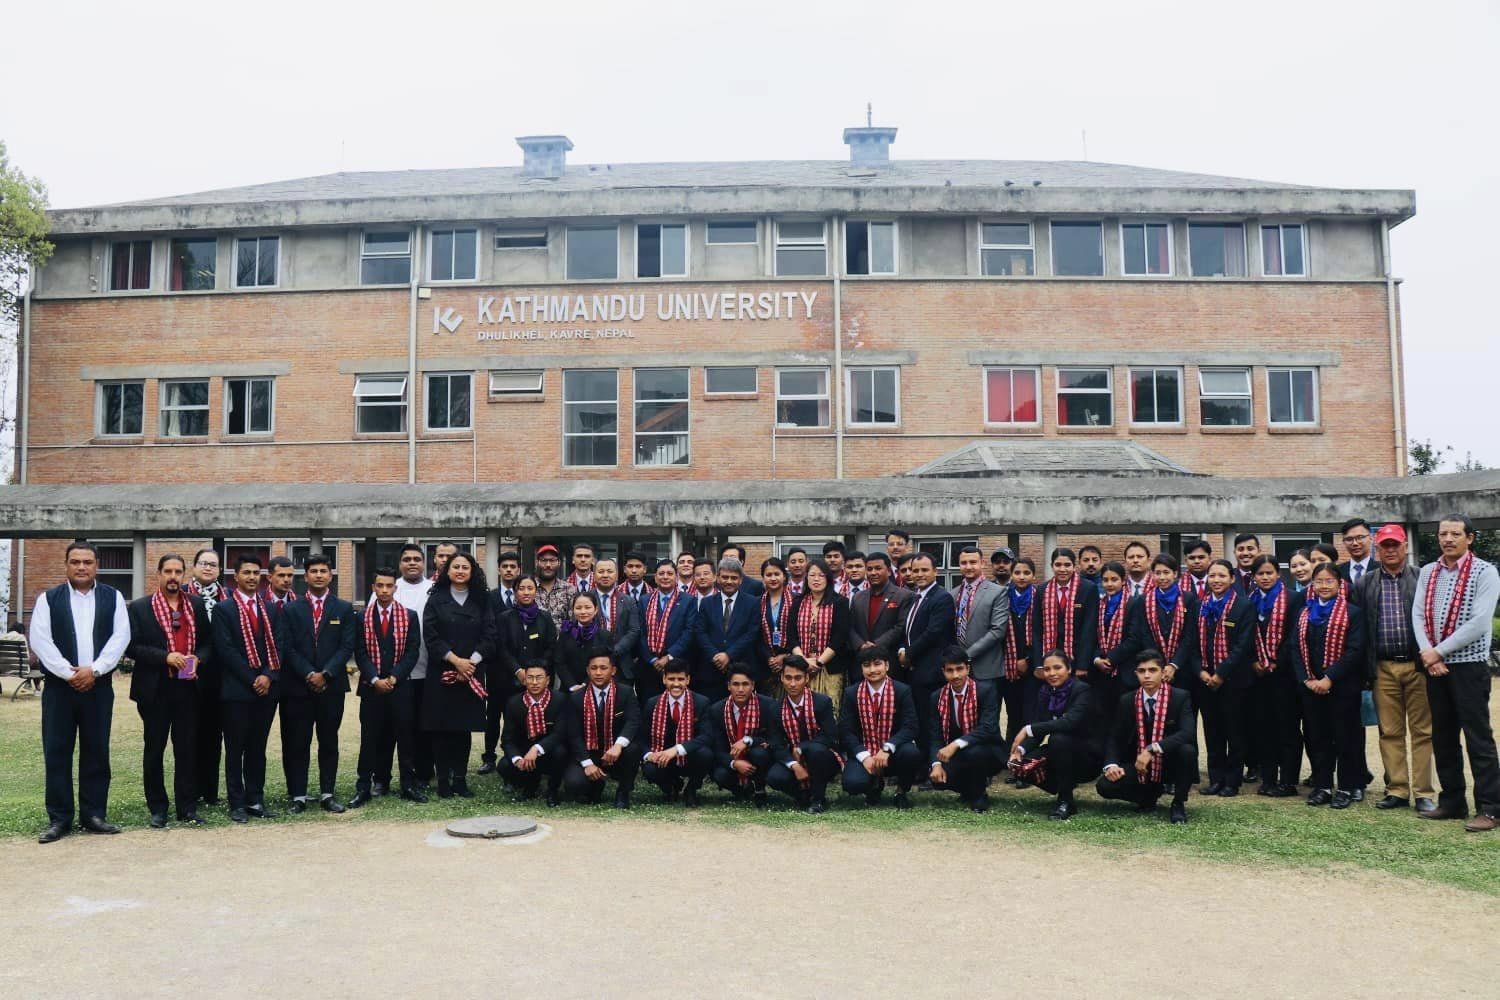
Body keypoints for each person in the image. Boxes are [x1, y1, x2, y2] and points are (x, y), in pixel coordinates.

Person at [32, 542, 131, 843]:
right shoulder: (48, 599)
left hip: (98, 688)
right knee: (57, 752)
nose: (81, 567)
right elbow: (40, 640)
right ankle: (59, 819)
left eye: (87, 562)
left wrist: (95, 670)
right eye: (75, 562)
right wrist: (69, 673)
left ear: (96, 565)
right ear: (66, 565)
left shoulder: (113, 597)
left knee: (96, 751)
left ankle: (94, 815)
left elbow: (120, 637)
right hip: (59, 690)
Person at [1412, 514, 1500, 831]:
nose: (1447, 539)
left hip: (1469, 666)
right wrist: (1429, 654)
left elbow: (1479, 622)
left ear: (1470, 538)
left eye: (1455, 534)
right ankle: (1452, 802)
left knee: (1478, 737)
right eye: (1442, 534)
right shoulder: (1428, 571)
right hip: (1434, 666)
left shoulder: (1485, 571)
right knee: (1443, 736)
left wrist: (1438, 651)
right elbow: (1418, 615)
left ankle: (1491, 808)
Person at [1354, 524, 1435, 812]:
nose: (1390, 550)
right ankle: (1397, 789)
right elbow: (1360, 628)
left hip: (1417, 665)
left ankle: (1424, 792)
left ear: (1405, 547)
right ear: (1377, 549)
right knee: (1389, 731)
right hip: (1382, 667)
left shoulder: (1423, 577)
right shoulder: (1365, 583)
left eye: (1395, 545)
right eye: (1384, 546)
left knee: (1422, 731)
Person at [128, 553, 212, 828]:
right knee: (155, 749)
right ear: (159, 574)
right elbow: (132, 647)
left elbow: (208, 643)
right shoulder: (140, 607)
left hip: (188, 687)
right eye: (168, 571)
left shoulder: (196, 605)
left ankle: (187, 807)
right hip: (155, 689)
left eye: (178, 572)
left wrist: (199, 658)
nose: (173, 577)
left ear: (184, 574)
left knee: (187, 749)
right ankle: (158, 808)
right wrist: (165, 657)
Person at [214, 553, 287, 824]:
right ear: (236, 577)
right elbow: (226, 650)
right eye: (247, 572)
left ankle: (255, 799)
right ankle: (236, 803)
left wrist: (267, 676)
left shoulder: (270, 609)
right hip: (237, 690)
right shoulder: (224, 609)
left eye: (256, 573)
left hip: (266, 691)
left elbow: (279, 645)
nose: (252, 577)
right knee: (235, 749)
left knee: (258, 747)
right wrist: (252, 678)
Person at [280, 553, 355, 814]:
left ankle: (327, 794)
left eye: (324, 571)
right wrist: (309, 673)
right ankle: (299, 796)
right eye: (314, 571)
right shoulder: (291, 609)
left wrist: (327, 673)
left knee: (329, 741)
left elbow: (347, 646)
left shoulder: (343, 608)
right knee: (298, 742)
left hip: (332, 687)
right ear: (306, 576)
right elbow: (287, 647)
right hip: (299, 687)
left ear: (331, 576)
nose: (319, 575)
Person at [421, 552, 497, 799]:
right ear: (448, 571)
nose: (461, 571)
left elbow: (490, 635)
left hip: (472, 672)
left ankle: (461, 780)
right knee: (442, 729)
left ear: (472, 571)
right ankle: (443, 781)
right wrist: (456, 662)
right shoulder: (436, 598)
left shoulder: (482, 599)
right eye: (456, 567)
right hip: (442, 671)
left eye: (465, 567)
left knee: (463, 729)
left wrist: (470, 664)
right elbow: (431, 636)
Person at [1293, 562, 1368, 808]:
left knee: (1345, 738)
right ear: (1312, 585)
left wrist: (1329, 678)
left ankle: (1346, 787)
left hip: (1342, 687)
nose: (1324, 586)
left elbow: (1354, 650)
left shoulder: (1353, 613)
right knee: (1318, 738)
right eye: (1319, 581)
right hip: (1311, 687)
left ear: (1339, 583)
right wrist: (1307, 679)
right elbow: (1295, 648)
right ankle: (1322, 786)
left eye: (1329, 581)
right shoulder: (1305, 612)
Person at [350, 567, 424, 807]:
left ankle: (408, 785)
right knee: (370, 738)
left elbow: (412, 651)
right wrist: (374, 679)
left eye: (389, 586)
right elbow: (360, 652)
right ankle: (366, 786)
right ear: (373, 588)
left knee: (405, 737)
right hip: (371, 687)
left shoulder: (409, 616)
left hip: (400, 687)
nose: (384, 590)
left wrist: (393, 678)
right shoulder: (361, 617)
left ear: (395, 587)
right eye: (380, 586)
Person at [1097, 651, 1196, 824]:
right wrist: (1111, 764)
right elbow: (1115, 737)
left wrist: (1152, 749)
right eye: (1142, 671)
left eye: (1152, 670)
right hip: (1139, 764)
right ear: (1136, 674)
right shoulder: (1127, 700)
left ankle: (1178, 803)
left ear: (1163, 672)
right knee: (1104, 786)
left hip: (1169, 762)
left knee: (1187, 751)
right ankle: (1147, 796)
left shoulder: (1180, 697)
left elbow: (1187, 733)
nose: (1147, 675)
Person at [1008, 649, 1103, 820]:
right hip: (1061, 752)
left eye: (1057, 668)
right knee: (1020, 764)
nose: (1052, 673)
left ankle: (1065, 800)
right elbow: (1039, 729)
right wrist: (1020, 750)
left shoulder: (1082, 690)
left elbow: (1069, 723)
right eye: (1047, 669)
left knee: (1058, 739)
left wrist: (1028, 729)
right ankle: (1062, 785)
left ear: (1069, 669)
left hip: (1088, 757)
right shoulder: (1045, 691)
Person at [1193, 558, 1257, 796]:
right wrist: (1201, 671)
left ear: (1232, 579)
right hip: (1205, 681)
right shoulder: (1199, 605)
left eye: (1221, 575)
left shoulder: (1244, 605)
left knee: (1235, 731)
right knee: (1212, 732)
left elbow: (1243, 646)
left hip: (1234, 680)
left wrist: (1220, 673)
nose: (1216, 580)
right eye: (1212, 576)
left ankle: (1232, 781)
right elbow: (1191, 643)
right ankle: (1216, 779)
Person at [482, 572, 556, 774]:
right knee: (496, 717)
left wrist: (535, 672)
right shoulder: (504, 618)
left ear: (536, 591)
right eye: (521, 588)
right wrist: (517, 670)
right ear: (515, 592)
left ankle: (532, 757)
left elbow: (550, 647)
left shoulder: (545, 618)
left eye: (530, 588)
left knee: (526, 719)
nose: (526, 592)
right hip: (505, 677)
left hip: (535, 679)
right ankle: (491, 758)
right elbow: (501, 647)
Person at [1246, 554, 1304, 798]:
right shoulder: (1248, 601)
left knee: (1288, 728)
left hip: (1285, 675)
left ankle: (1288, 781)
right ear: (1254, 577)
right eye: (1260, 573)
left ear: (1278, 574)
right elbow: (1245, 636)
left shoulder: (1293, 598)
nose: (1265, 577)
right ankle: (1268, 778)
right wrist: (1254, 662)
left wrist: (1275, 661)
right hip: (1258, 676)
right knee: (1263, 728)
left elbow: (1295, 636)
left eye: (1269, 573)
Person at [839, 645, 922, 808]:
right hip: (865, 750)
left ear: (887, 665)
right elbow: (845, 731)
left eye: (877, 664)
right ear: (861, 668)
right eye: (867, 665)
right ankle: (873, 786)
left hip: (894, 752)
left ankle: (901, 791)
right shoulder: (851, 693)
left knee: (911, 753)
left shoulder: (902, 690)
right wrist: (864, 756)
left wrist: (887, 748)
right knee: (852, 783)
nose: (872, 670)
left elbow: (911, 727)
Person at [925, 646, 1003, 812]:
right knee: (937, 779)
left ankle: (979, 795)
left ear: (968, 668)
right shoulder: (936, 697)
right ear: (943, 672)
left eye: (959, 669)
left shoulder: (986, 690)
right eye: (950, 670)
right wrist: (936, 764)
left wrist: (955, 744)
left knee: (973, 752)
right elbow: (935, 735)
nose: (955, 675)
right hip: (958, 754)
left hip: (988, 751)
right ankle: (968, 790)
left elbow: (988, 729)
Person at [896, 552, 956, 764]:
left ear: (935, 572)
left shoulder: (942, 598)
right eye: (915, 570)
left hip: (931, 672)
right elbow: (908, 630)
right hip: (915, 671)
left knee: (932, 723)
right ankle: (922, 766)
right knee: (919, 721)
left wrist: (908, 654)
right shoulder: (916, 597)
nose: (919, 574)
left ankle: (934, 766)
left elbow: (933, 632)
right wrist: (902, 649)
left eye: (924, 570)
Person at [563, 647, 642, 808]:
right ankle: (595, 785)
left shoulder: (626, 693)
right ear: (588, 671)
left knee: (633, 749)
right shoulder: (576, 697)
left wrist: (618, 746)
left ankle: (623, 792)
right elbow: (573, 735)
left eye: (603, 668)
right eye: (594, 668)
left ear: (613, 670)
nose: (598, 673)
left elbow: (632, 721)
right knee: (573, 784)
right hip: (590, 752)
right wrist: (587, 763)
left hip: (616, 752)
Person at [766, 655, 843, 812]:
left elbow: (830, 736)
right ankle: (803, 795)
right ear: (781, 678)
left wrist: (802, 747)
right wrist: (794, 765)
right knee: (774, 777)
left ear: (807, 678)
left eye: (798, 678)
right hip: (794, 759)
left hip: (823, 757)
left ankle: (817, 799)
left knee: (816, 751)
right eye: (788, 678)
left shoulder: (822, 702)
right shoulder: (775, 708)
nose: (793, 683)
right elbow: (776, 744)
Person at [184, 547, 229, 807]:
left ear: (219, 570)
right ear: (194, 567)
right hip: (189, 671)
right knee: (189, 733)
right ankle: (190, 790)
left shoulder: (228, 596)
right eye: (203, 563)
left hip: (220, 675)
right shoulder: (182, 595)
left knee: (214, 735)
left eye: (213, 564)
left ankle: (210, 791)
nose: (208, 568)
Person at [1113, 554, 1196, 689]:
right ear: (1152, 575)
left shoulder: (1188, 598)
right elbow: (1145, 635)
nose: (1162, 577)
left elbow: (1189, 635)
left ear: (1175, 574)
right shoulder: (1144, 600)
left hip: (1182, 666)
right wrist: (1160, 665)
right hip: (1154, 667)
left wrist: (1173, 665)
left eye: (1166, 572)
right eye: (1158, 573)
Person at [394, 544, 435, 795]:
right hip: (397, 673)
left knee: (425, 726)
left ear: (424, 563)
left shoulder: (433, 588)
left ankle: (424, 773)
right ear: (400, 563)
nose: (412, 563)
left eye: (417, 559)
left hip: (428, 670)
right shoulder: (390, 587)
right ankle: (394, 776)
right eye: (407, 559)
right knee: (401, 727)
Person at [499, 660, 568, 806]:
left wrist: (537, 749)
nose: (534, 682)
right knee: (504, 765)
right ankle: (529, 787)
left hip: (549, 751)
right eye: (530, 678)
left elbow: (560, 734)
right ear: (525, 680)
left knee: (560, 752)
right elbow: (507, 739)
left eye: (539, 677)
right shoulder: (514, 703)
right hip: (525, 753)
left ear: (548, 680)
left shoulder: (560, 700)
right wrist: (517, 759)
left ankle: (553, 790)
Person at [707, 665, 778, 805]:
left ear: (753, 685)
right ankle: (741, 790)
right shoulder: (717, 710)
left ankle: (759, 787)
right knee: (720, 775)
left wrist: (749, 740)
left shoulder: (768, 705)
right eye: (736, 684)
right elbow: (717, 748)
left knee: (759, 753)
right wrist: (734, 763)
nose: (740, 689)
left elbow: (774, 738)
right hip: (732, 757)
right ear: (729, 686)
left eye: (745, 684)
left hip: (759, 757)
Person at [1031, 548, 1099, 694]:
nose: (1062, 569)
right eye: (1058, 565)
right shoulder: (1042, 590)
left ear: (1074, 566)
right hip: (1050, 661)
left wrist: (1082, 664)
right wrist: (1038, 664)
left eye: (1067, 565)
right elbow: (1036, 630)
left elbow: (1089, 629)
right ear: (1052, 566)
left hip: (1077, 660)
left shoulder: (1088, 588)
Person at [693, 556, 762, 700]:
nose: (729, 581)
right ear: (718, 578)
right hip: (711, 670)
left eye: (734, 578)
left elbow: (752, 633)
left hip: (742, 669)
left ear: (741, 580)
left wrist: (729, 655)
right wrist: (715, 656)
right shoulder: (706, 603)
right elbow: (700, 632)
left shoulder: (753, 602)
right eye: (725, 577)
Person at [789, 558, 853, 707]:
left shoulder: (840, 602)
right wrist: (804, 661)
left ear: (828, 578)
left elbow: (840, 637)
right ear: (806, 578)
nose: (816, 579)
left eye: (821, 575)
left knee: (830, 709)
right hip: (801, 668)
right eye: (812, 575)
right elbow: (791, 636)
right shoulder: (797, 602)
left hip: (830, 668)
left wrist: (818, 662)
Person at [638, 559, 697, 701]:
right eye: (661, 573)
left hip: (677, 665)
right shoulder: (644, 600)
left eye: (669, 573)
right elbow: (640, 633)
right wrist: (652, 659)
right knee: (650, 705)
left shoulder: (688, 600)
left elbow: (689, 632)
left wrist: (669, 657)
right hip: (649, 667)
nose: (665, 577)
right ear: (655, 577)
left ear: (676, 577)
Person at [950, 544, 1008, 686]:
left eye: (973, 562)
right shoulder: (953, 594)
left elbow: (998, 631)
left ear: (982, 563)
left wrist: (967, 654)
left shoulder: (998, 592)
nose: (968, 567)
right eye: (964, 563)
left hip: (985, 668)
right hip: (956, 669)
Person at [999, 557, 1039, 752]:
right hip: (1008, 665)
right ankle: (1011, 753)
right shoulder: (1002, 597)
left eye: (1026, 573)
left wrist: (1027, 659)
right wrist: (1014, 660)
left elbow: (1043, 632)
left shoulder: (1040, 596)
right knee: (1013, 713)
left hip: (1033, 666)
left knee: (1030, 713)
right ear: (1011, 574)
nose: (1022, 577)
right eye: (1017, 573)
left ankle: (1026, 753)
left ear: (1034, 575)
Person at [849, 552, 913, 659]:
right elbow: (850, 626)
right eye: (869, 569)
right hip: (861, 657)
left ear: (889, 571)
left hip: (889, 657)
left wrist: (876, 645)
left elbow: (900, 626)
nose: (873, 573)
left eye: (878, 568)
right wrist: (861, 645)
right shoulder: (857, 597)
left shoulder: (904, 596)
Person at [591, 559, 642, 687]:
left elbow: (634, 630)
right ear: (594, 575)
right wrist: (599, 652)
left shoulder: (628, 601)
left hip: (622, 664)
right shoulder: (585, 599)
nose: (605, 575)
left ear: (617, 574)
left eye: (610, 571)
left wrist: (614, 650)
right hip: (592, 662)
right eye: (601, 571)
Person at [1087, 561, 1130, 709]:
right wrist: (1097, 659)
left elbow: (1134, 638)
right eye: (1105, 580)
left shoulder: (1133, 603)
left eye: (1114, 579)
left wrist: (1111, 659)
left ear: (1123, 581)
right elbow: (1092, 636)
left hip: (1124, 669)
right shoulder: (1099, 604)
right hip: (1100, 669)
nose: (1109, 584)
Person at [554, 590, 610, 690]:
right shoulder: (565, 633)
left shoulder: (604, 636)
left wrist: (585, 684)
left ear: (596, 609)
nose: (583, 612)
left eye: (587, 607)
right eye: (578, 608)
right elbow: (559, 663)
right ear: (573, 610)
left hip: (596, 688)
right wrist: (572, 685)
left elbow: (606, 664)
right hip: (568, 689)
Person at [756, 557, 794, 692]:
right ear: (763, 578)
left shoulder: (796, 600)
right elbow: (755, 635)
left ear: (784, 576)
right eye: (768, 575)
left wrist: (785, 656)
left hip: (791, 662)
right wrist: (769, 658)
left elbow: (800, 633)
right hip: (765, 664)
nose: (773, 578)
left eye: (777, 574)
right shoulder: (757, 602)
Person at [534, 544, 577, 628]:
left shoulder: (569, 589)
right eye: (544, 560)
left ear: (559, 563)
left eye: (552, 560)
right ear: (537, 562)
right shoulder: (528, 588)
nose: (548, 565)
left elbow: (573, 621)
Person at [1338, 518, 1375, 585]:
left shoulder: (1383, 570)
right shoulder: (1337, 572)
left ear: (1371, 538)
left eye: (1360, 537)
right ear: (1343, 542)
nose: (1355, 543)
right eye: (1349, 539)